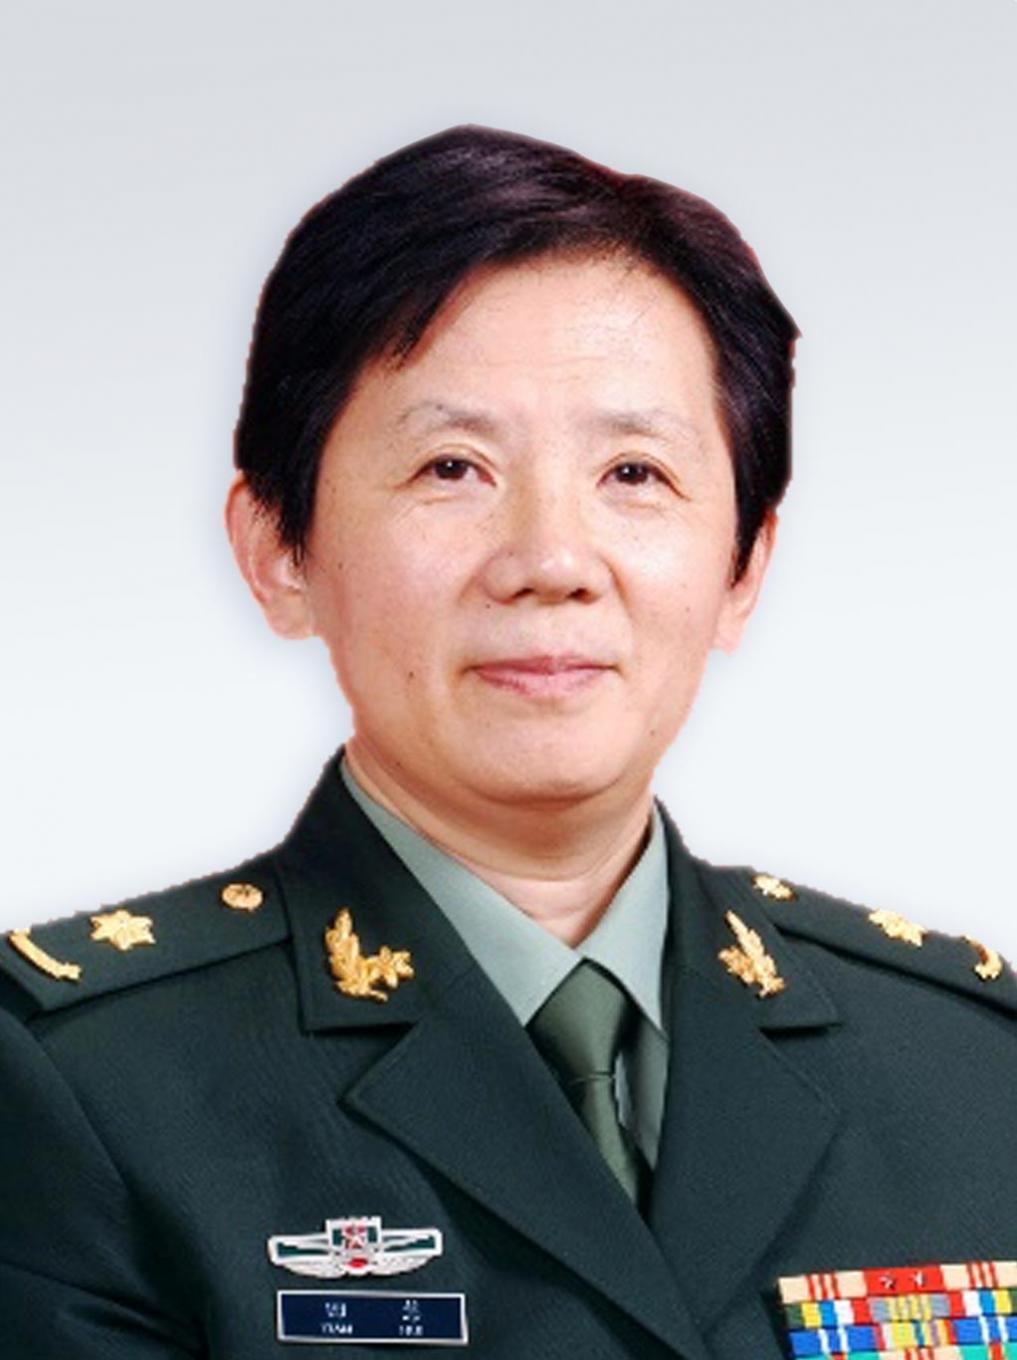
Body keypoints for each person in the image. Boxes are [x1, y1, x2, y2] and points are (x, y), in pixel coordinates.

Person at [1, 125, 1014, 1360]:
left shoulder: (972, 1069)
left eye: (634, 473)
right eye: (453, 466)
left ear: (744, 567)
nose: (552, 561)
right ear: (279, 552)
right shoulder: (77, 1085)